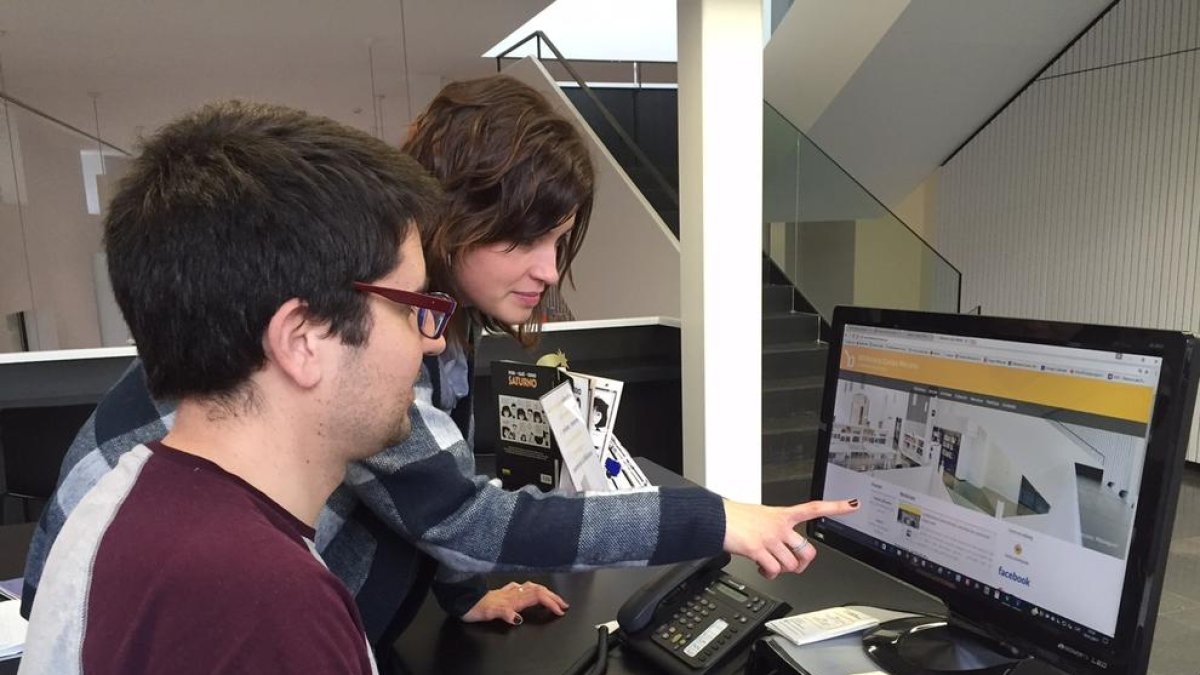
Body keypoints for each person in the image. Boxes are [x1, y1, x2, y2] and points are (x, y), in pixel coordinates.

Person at [23, 75, 858, 659]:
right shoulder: (250, 572)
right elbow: (468, 515)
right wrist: (714, 518)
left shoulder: (418, 339)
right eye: (524, 236)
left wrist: (464, 592)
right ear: (301, 337)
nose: (545, 268)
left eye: (559, 242)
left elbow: (429, 494)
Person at [20, 101, 447, 673]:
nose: (432, 341)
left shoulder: (124, 499)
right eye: (410, 307)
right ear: (302, 339)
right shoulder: (268, 604)